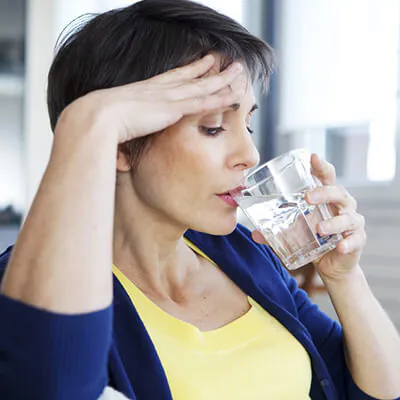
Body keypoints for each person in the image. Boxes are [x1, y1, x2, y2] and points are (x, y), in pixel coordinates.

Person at [0, 0, 399, 399]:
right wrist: (86, 122)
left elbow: (371, 391)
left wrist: (344, 278)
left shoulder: (245, 256)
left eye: (248, 124)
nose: (250, 154)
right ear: (119, 143)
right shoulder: (37, 285)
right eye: (212, 127)